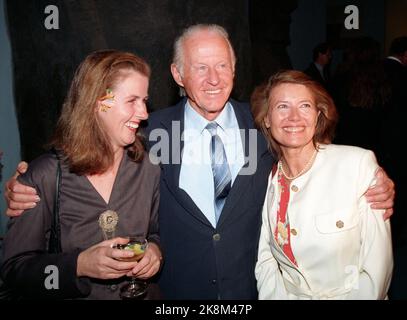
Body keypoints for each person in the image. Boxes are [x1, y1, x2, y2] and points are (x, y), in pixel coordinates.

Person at [4, 25, 395, 300]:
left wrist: (374, 183)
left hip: (254, 292)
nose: (213, 78)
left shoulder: (264, 129)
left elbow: (314, 163)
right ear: (177, 74)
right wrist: (26, 181)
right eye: (199, 67)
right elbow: (88, 149)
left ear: (235, 69)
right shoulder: (147, 133)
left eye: (222, 65)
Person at [1, 50, 162, 299]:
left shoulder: (147, 168)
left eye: (144, 100)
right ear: (99, 102)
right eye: (132, 101)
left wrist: (154, 251)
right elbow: (15, 270)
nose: (144, 113)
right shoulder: (45, 175)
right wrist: (79, 265)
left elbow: (155, 233)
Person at [252, 70, 393, 299]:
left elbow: (378, 269)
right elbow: (265, 259)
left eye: (305, 106)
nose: (294, 117)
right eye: (282, 107)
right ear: (267, 119)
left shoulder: (356, 165)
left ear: (318, 115)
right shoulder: (268, 180)